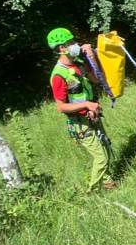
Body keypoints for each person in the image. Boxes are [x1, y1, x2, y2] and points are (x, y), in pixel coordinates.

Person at [47, 27, 115, 192]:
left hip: (93, 114)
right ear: (62, 48)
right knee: (101, 159)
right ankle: (91, 192)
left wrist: (91, 57)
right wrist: (86, 105)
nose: (74, 44)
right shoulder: (58, 75)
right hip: (80, 123)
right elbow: (61, 107)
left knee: (105, 148)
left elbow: (97, 80)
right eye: (70, 42)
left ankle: (108, 183)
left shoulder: (79, 63)